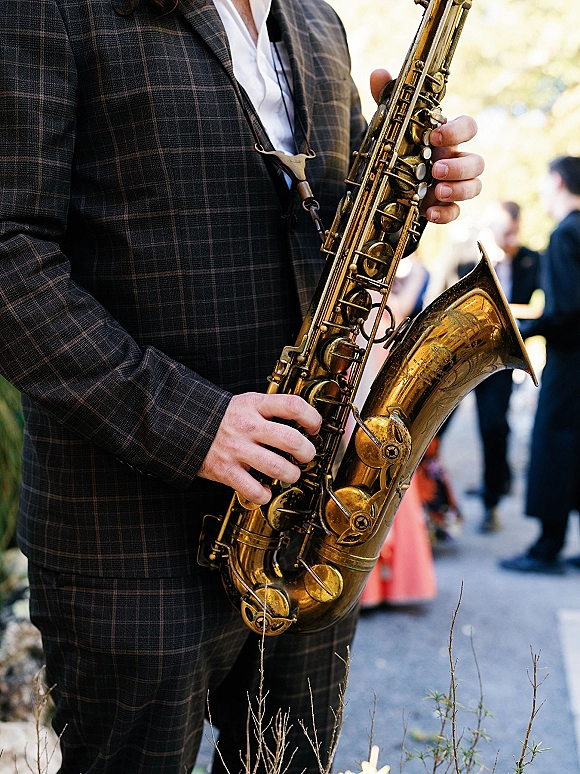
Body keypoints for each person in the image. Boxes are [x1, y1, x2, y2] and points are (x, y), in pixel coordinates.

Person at [0, 0, 484, 770]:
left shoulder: (319, 23)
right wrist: (195, 425)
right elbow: (9, 254)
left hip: (307, 524)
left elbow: (336, 238)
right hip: (126, 537)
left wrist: (410, 193)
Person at [500, 157, 580, 575]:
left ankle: (547, 548)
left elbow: (566, 310)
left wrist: (522, 328)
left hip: (570, 363)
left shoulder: (565, 233)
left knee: (555, 446)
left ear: (557, 181)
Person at [471, 202, 540, 533]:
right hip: (463, 355)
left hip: (498, 361)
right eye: (506, 232)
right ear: (490, 229)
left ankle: (491, 500)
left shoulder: (531, 259)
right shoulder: (463, 256)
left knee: (494, 427)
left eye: (516, 231)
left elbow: (547, 305)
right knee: (433, 430)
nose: (513, 238)